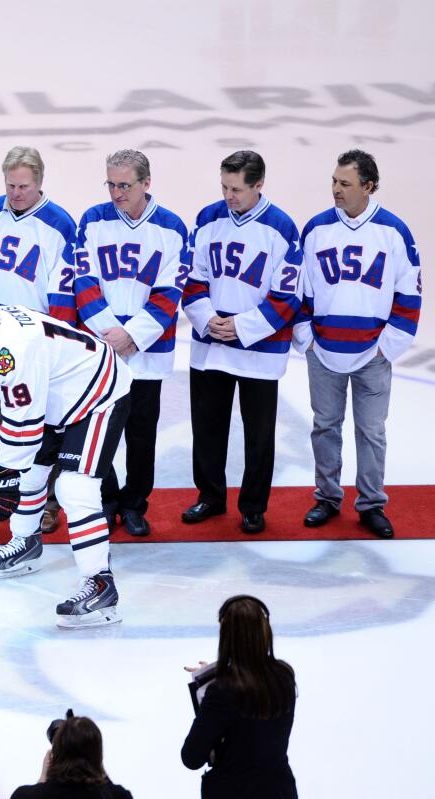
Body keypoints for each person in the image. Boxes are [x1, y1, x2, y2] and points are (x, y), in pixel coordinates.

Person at [0, 292, 130, 627]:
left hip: (98, 393)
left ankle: (101, 585)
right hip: (57, 390)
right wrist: (8, 474)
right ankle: (26, 541)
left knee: (75, 489)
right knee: (32, 473)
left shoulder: (11, 351)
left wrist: (3, 474)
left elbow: (24, 422)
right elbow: (20, 415)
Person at [293, 149, 421, 539]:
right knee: (325, 427)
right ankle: (327, 498)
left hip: (373, 353)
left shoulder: (394, 232)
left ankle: (371, 504)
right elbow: (299, 288)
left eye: (345, 183)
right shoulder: (315, 229)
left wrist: (389, 344)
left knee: (371, 431)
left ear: (368, 186)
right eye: (334, 181)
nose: (336, 189)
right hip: (325, 350)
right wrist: (307, 338)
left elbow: (410, 292)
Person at [180, 151, 302, 535]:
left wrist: (243, 326)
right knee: (207, 427)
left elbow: (288, 295)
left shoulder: (281, 228)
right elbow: (192, 279)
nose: (228, 195)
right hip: (211, 345)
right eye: (224, 186)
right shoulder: (208, 218)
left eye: (236, 189)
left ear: (258, 184)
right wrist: (207, 319)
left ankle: (253, 506)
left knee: (259, 433)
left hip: (259, 353)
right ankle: (210, 496)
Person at [0, 146, 78, 530]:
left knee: (40, 422)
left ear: (40, 182)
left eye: (24, 186)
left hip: (35, 342)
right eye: (10, 185)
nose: (16, 193)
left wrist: (56, 344)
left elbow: (63, 293)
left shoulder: (60, 224)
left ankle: (46, 503)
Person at [74, 150, 188, 537]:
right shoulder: (93, 219)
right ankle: (106, 501)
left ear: (146, 183)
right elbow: (83, 281)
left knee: (141, 433)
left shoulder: (171, 228)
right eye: (111, 183)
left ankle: (135, 504)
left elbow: (171, 292)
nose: (116, 192)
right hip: (103, 349)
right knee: (100, 431)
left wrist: (134, 336)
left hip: (146, 352)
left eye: (124, 185)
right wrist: (110, 333)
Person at [181, 595, 297, 799]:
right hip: (280, 790)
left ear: (227, 637)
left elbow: (192, 757)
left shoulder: (222, 691)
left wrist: (210, 685)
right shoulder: (284, 677)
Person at [11, 715, 134, 799]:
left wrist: (42, 780)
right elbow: (112, 793)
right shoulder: (119, 796)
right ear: (98, 757)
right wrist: (98, 770)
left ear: (55, 756)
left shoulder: (23, 796)